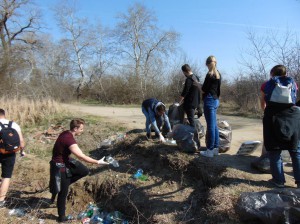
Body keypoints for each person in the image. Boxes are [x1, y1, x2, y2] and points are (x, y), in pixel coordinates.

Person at [49, 118, 109, 222]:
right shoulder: (69, 139)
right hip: (59, 166)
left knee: (84, 170)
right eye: (81, 129)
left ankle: (63, 184)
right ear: (75, 128)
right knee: (63, 193)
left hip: (65, 160)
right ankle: (61, 218)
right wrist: (98, 162)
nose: (82, 131)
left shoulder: (66, 133)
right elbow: (81, 156)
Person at [262, 65, 300, 188]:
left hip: (273, 116)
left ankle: (278, 181)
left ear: (272, 73)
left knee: (274, 150)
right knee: (295, 151)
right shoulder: (293, 83)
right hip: (292, 116)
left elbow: (263, 102)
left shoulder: (267, 84)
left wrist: (266, 112)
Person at [0, 109, 25, 208]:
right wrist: (22, 152)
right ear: (4, 115)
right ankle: (1, 201)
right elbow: (21, 142)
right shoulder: (14, 124)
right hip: (10, 153)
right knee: (6, 176)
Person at [200, 56, 221, 158]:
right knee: (214, 126)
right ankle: (216, 148)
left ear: (207, 64)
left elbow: (203, 89)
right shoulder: (218, 74)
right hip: (216, 100)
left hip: (209, 101)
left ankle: (210, 150)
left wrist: (197, 85)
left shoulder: (209, 75)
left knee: (211, 127)